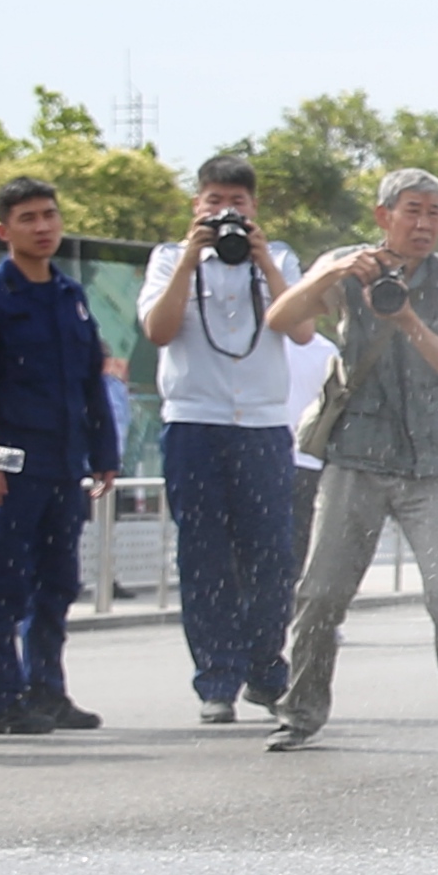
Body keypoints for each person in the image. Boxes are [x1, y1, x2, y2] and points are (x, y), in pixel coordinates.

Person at [263, 168, 438, 754]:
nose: (423, 224)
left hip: (429, 463)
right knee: (321, 593)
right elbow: (281, 321)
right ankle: (300, 713)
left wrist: (405, 319)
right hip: (356, 454)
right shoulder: (347, 267)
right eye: (412, 211)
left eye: (434, 214)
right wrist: (331, 271)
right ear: (383, 216)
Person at [0, 175, 124, 736]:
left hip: (64, 465)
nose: (42, 227)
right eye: (28, 218)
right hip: (12, 465)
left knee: (57, 583)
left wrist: (104, 452)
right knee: (4, 581)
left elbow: (91, 384)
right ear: (4, 231)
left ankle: (47, 690)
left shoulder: (69, 296)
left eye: (49, 215)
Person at [138, 151, 306, 727]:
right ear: (196, 206)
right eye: (215, 202)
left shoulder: (279, 258)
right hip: (194, 423)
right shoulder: (167, 260)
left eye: (237, 202)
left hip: (261, 425)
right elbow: (158, 331)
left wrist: (264, 262)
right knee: (203, 555)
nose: (226, 213)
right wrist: (191, 257)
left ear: (255, 208)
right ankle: (217, 678)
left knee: (271, 554)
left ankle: (266, 669)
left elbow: (301, 328)